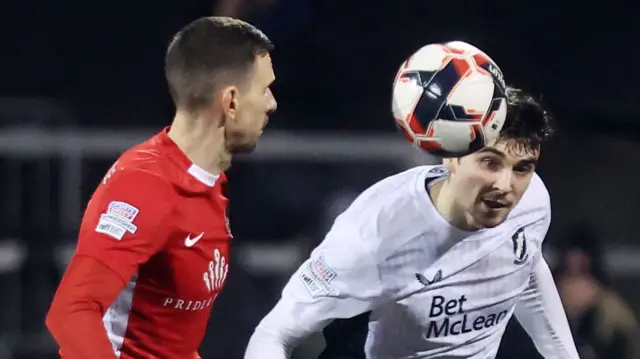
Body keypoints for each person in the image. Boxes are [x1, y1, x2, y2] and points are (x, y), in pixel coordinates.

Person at [244, 87, 579, 359]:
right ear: (451, 154)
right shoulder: (374, 234)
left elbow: (525, 265)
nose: (506, 185)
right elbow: (274, 334)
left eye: (521, 168)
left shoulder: (532, 201)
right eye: (490, 163)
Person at [45, 16, 277, 359]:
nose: (271, 103)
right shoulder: (145, 185)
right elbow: (72, 312)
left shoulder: (207, 185)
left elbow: (167, 340)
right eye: (264, 88)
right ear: (230, 101)